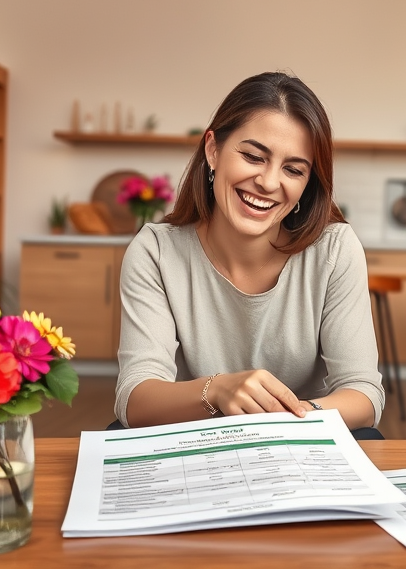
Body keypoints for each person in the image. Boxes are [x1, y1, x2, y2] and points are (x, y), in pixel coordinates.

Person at [113, 72, 385, 439]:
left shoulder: (334, 249)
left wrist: (286, 417)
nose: (270, 182)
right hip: (199, 434)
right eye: (254, 156)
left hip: (302, 436)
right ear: (213, 150)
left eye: (293, 169)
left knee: (368, 437)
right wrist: (218, 390)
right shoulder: (156, 251)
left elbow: (364, 394)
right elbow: (134, 398)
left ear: (308, 182)